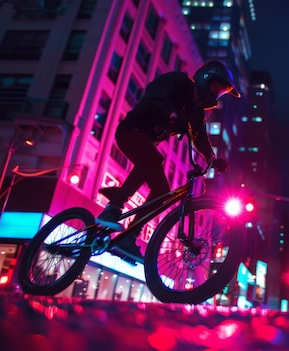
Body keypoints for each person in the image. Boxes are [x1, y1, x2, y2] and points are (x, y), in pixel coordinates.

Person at [95, 61, 240, 258]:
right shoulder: (179, 82)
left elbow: (199, 136)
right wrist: (172, 114)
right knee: (154, 158)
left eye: (221, 93)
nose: (216, 95)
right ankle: (112, 209)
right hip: (130, 132)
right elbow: (155, 93)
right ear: (206, 78)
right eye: (216, 88)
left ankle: (129, 237)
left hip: (147, 144)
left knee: (162, 191)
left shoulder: (196, 111)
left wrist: (212, 158)